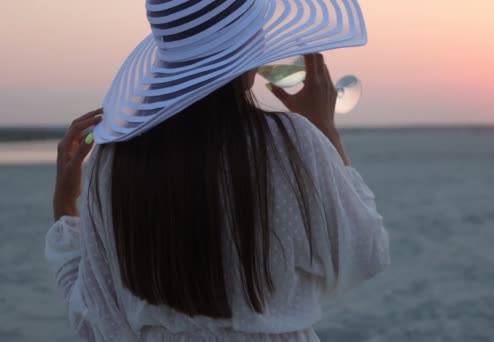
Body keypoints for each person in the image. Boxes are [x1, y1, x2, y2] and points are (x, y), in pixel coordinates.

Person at [46, 1, 389, 341]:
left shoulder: (113, 162)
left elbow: (99, 322)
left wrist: (65, 207)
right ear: (247, 45)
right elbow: (367, 252)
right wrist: (325, 130)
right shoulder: (291, 143)